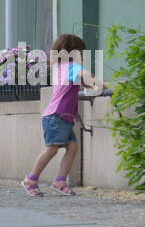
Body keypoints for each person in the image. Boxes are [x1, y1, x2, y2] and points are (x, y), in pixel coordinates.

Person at [22, 34, 110, 196]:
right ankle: (31, 179)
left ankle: (60, 181)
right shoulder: (71, 67)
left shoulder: (62, 67)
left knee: (72, 147)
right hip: (56, 116)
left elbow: (80, 82)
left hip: (61, 116)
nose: (83, 56)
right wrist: (99, 84)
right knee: (52, 149)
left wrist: (96, 86)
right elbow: (85, 76)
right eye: (81, 52)